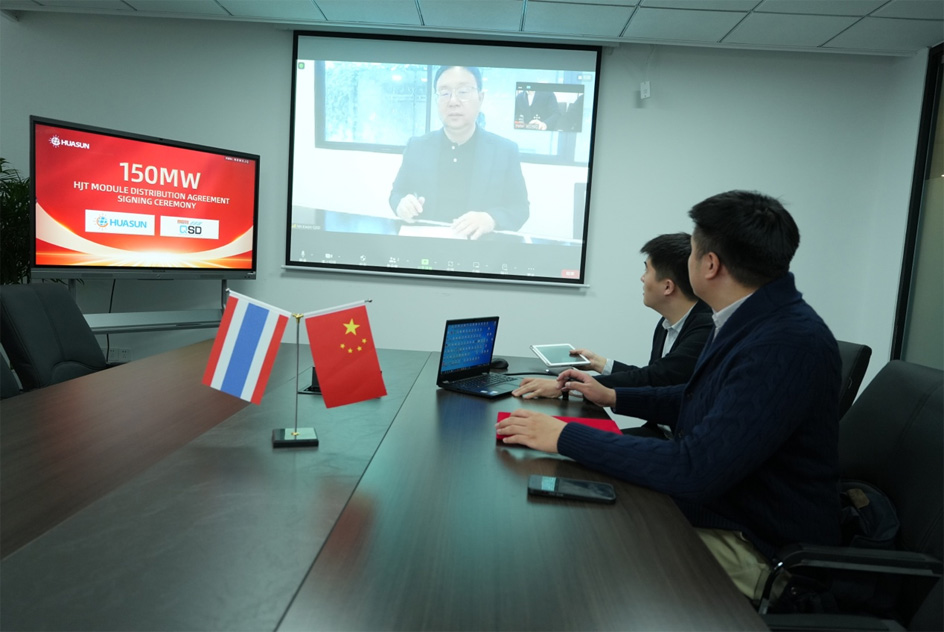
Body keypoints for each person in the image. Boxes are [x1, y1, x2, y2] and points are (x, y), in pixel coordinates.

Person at [497, 190, 842, 602]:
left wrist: (563, 435)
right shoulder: (752, 319)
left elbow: (694, 468)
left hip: (760, 547)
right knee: (579, 496)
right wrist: (614, 397)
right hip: (725, 509)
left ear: (710, 264)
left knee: (584, 539)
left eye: (692, 250)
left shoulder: (784, 343)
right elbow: (700, 397)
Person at [513, 233, 713, 434]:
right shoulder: (667, 323)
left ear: (667, 286)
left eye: (647, 270)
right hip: (658, 431)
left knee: (565, 437)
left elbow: (655, 378)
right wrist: (598, 363)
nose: (642, 278)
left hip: (680, 439)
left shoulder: (705, 327)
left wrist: (567, 386)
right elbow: (654, 376)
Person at [389, 66, 530, 240]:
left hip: (478, 249)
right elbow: (397, 193)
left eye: (463, 92)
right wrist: (402, 205)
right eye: (444, 93)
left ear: (480, 98)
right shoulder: (417, 146)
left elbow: (520, 208)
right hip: (426, 245)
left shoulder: (505, 150)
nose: (453, 101)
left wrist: (490, 219)